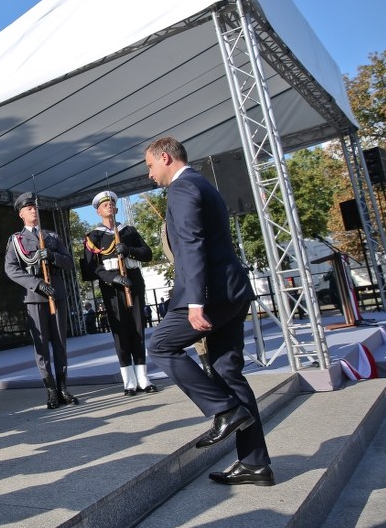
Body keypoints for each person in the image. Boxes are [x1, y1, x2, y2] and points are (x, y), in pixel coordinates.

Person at [144, 137, 273, 486]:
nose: (150, 175)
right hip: (232, 293)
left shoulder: (183, 189)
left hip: (209, 296)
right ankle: (255, 463)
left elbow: (191, 246)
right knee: (229, 375)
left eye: (151, 166)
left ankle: (224, 410)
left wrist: (195, 301)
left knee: (160, 346)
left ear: (165, 157)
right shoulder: (204, 184)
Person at [4, 192, 79, 409]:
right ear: (21, 214)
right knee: (41, 347)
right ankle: (50, 390)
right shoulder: (16, 240)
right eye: (29, 208)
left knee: (60, 344)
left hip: (57, 294)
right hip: (35, 297)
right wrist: (36, 284)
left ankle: (63, 388)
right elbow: (11, 269)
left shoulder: (52, 236)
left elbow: (69, 263)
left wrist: (53, 256)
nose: (33, 211)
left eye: (35, 208)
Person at [81, 190, 157, 397]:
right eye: (105, 205)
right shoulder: (93, 237)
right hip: (112, 287)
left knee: (138, 328)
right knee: (120, 331)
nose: (110, 207)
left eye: (112, 204)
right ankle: (129, 380)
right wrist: (112, 278)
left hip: (133, 282)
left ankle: (143, 377)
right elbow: (89, 269)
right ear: (98, 211)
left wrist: (129, 250)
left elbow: (148, 254)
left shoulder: (129, 231)